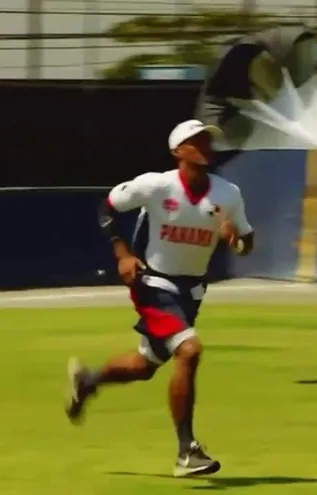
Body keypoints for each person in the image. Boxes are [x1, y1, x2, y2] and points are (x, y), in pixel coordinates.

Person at [64, 119, 255, 477]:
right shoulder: (156, 185)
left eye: (207, 140)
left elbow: (247, 241)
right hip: (152, 283)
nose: (204, 146)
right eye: (195, 140)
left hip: (192, 292)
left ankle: (87, 381)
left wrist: (236, 240)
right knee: (190, 350)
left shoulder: (228, 194)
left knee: (144, 366)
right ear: (177, 151)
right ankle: (187, 451)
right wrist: (121, 252)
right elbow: (107, 207)